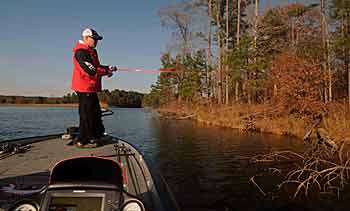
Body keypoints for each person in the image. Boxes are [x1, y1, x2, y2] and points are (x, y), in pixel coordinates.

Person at [71, 28, 116, 148]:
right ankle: (83, 139)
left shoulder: (91, 51)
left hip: (91, 88)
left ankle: (97, 135)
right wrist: (105, 71)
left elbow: (96, 67)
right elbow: (90, 70)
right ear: (86, 38)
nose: (96, 41)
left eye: (97, 39)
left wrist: (108, 68)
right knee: (87, 114)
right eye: (94, 39)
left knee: (95, 112)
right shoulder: (81, 52)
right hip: (84, 87)